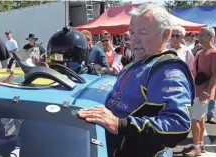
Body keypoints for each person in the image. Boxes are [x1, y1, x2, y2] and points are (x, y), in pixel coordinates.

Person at [77, 3, 195, 157]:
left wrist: (121, 124)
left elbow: (178, 125)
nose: (135, 40)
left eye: (143, 33)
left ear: (165, 35)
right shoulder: (137, 63)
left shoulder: (167, 70)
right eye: (132, 33)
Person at [183, 27, 216, 157]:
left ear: (211, 37)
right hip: (198, 90)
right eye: (199, 35)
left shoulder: (213, 53)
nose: (199, 37)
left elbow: (214, 75)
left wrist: (207, 91)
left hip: (203, 92)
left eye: (202, 35)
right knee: (200, 119)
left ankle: (196, 147)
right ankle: (200, 144)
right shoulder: (200, 52)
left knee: (194, 119)